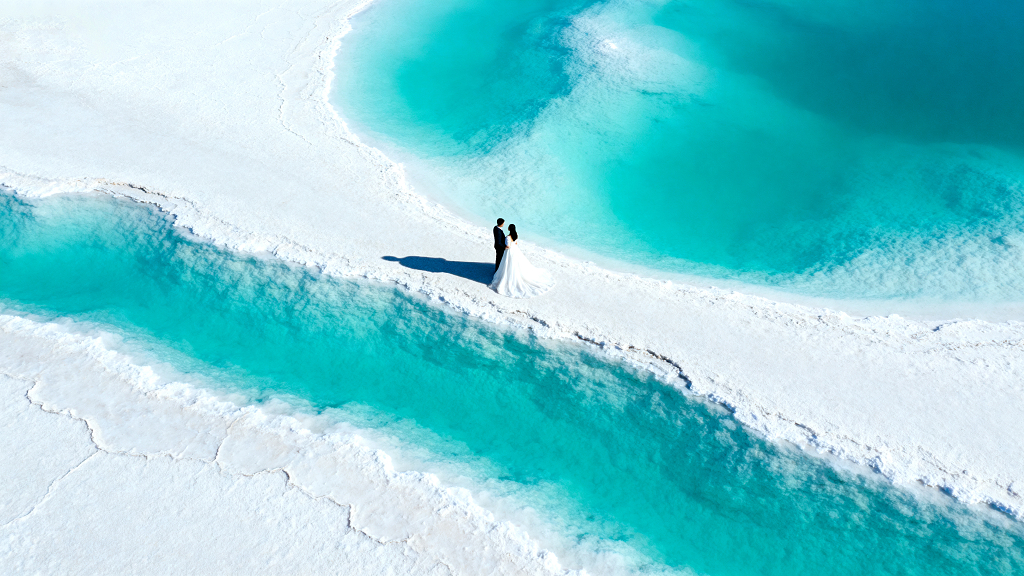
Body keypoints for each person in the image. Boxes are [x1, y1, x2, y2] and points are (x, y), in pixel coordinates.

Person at [490, 224, 555, 298]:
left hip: (510, 251)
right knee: (516, 263)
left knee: (508, 263)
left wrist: (504, 247)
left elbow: (508, 246)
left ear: (509, 229)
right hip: (515, 250)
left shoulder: (508, 237)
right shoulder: (516, 235)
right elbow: (516, 243)